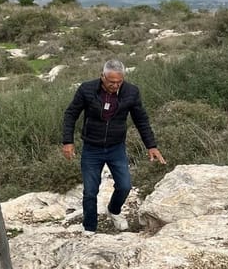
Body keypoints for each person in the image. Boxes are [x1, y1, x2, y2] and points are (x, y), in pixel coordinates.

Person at [62, 59, 166, 233]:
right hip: (92, 148)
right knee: (90, 191)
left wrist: (151, 146)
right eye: (111, 82)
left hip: (116, 147)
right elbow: (71, 114)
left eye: (119, 81)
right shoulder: (86, 89)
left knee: (125, 185)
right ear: (102, 76)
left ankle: (114, 210)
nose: (115, 85)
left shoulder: (131, 92)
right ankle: (89, 229)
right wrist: (68, 141)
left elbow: (141, 119)